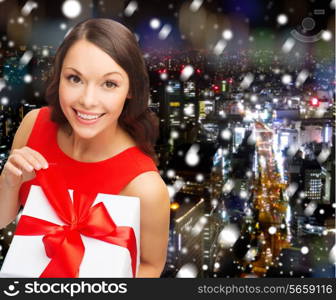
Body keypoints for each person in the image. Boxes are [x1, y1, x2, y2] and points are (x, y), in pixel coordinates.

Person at [0, 18, 170, 278]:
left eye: (109, 84)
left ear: (131, 90)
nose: (88, 100)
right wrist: (9, 183)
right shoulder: (34, 125)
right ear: (59, 78)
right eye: (75, 78)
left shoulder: (145, 186)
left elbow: (150, 266)